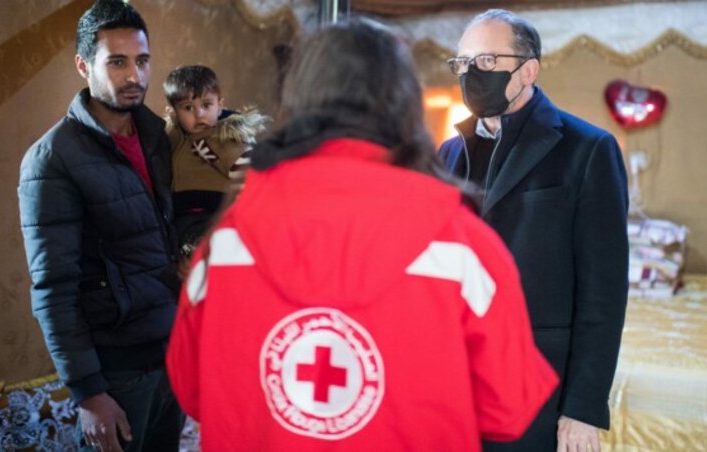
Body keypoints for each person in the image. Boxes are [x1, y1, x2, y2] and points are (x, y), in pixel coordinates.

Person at [166, 17, 558, 451]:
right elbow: (508, 411)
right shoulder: (463, 248)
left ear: (298, 99)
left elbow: (192, 391)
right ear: (404, 104)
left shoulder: (225, 247)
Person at [438, 9, 629, 452]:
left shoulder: (587, 149)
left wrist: (582, 407)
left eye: (486, 62)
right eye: (462, 64)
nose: (470, 74)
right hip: (456, 383)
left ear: (528, 71)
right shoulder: (446, 154)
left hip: (539, 386)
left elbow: (603, 292)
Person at [18, 1, 184, 450]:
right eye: (117, 62)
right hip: (117, 371)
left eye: (142, 61)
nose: (135, 76)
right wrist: (89, 392)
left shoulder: (159, 137)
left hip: (173, 355)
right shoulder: (52, 160)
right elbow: (54, 287)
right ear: (82, 65)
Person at [163, 64, 268, 261]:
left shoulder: (225, 139)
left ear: (219, 105)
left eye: (206, 105)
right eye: (188, 108)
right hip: (181, 217)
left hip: (214, 215)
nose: (199, 114)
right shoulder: (174, 137)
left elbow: (247, 172)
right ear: (174, 113)